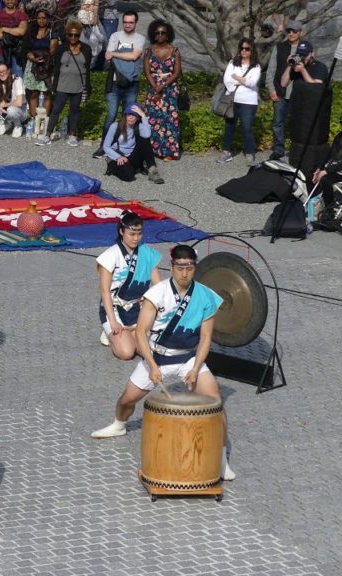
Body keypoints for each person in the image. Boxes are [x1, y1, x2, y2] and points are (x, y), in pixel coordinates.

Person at [91, 245, 236, 482]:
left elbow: (206, 338)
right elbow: (140, 332)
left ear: (194, 268)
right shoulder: (157, 293)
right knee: (127, 400)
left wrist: (196, 368)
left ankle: (220, 460)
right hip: (157, 357)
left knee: (216, 403)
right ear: (172, 267)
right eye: (180, 267)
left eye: (189, 267)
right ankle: (119, 423)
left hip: (188, 357)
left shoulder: (205, 296)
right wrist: (152, 365)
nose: (184, 273)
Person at [96, 211, 161, 359]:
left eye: (139, 234)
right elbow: (105, 291)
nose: (136, 238)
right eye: (132, 234)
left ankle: (132, 333)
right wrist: (112, 321)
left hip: (138, 308)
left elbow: (158, 287)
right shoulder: (110, 255)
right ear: (121, 231)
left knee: (151, 351)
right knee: (126, 353)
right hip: (114, 308)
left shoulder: (148, 254)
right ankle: (111, 333)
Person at [92, 10, 146, 159]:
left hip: (132, 83)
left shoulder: (140, 38)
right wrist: (126, 57)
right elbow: (107, 56)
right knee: (111, 115)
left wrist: (116, 54)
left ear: (136, 23)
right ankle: (104, 146)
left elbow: (134, 55)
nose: (128, 25)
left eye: (131, 22)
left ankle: (126, 147)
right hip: (114, 83)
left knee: (129, 116)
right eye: (126, 22)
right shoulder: (115, 36)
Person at [36, 20, 90, 147]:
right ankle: (47, 135)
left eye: (76, 35)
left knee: (75, 111)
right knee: (56, 110)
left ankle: (72, 135)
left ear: (79, 35)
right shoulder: (61, 48)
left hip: (78, 86)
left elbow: (87, 69)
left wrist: (87, 87)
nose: (73, 37)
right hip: (62, 85)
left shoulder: (86, 49)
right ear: (66, 35)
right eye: (70, 35)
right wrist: (53, 85)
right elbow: (56, 67)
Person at [217, 39, 261, 167]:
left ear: (252, 50)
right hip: (233, 100)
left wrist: (236, 77)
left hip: (249, 102)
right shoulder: (233, 62)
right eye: (242, 48)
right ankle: (226, 152)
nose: (244, 51)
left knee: (247, 128)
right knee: (229, 127)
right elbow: (227, 79)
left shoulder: (256, 66)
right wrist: (242, 81)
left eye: (247, 49)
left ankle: (250, 154)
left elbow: (252, 83)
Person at [265, 19, 304, 162]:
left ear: (300, 32)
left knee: (298, 123)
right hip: (280, 92)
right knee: (278, 122)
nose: (291, 33)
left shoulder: (305, 48)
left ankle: (296, 150)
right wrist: (271, 89)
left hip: (298, 94)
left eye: (294, 31)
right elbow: (271, 70)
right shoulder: (279, 47)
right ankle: (278, 150)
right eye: (289, 31)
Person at [143, 20, 181, 161]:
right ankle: (153, 150)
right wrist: (155, 87)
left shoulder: (175, 51)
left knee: (169, 120)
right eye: (157, 33)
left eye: (163, 33)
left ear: (168, 34)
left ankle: (169, 152)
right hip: (153, 87)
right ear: (153, 34)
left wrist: (162, 86)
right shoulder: (148, 51)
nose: (160, 35)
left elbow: (176, 73)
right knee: (152, 119)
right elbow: (147, 72)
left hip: (169, 89)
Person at [102, 104, 162, 184]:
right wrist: (118, 157)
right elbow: (106, 146)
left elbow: (147, 135)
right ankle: (113, 166)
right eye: (129, 114)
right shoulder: (115, 126)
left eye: (135, 115)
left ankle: (152, 169)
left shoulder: (139, 126)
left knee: (145, 140)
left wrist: (143, 116)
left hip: (132, 155)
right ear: (125, 115)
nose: (131, 117)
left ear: (138, 118)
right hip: (118, 156)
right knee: (129, 177)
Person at [21, 8, 57, 131]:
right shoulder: (31, 33)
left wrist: (42, 57)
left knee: (47, 93)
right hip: (33, 65)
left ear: (47, 19)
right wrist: (31, 56)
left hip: (46, 65)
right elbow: (26, 50)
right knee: (33, 93)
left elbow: (52, 50)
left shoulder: (52, 33)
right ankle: (34, 120)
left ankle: (45, 121)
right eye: (39, 18)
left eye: (44, 18)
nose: (41, 20)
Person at [0, 0, 28, 78]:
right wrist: (14, 33)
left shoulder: (22, 15)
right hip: (0, 52)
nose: (9, 1)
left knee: (18, 81)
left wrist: (4, 29)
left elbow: (22, 31)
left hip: (16, 53)